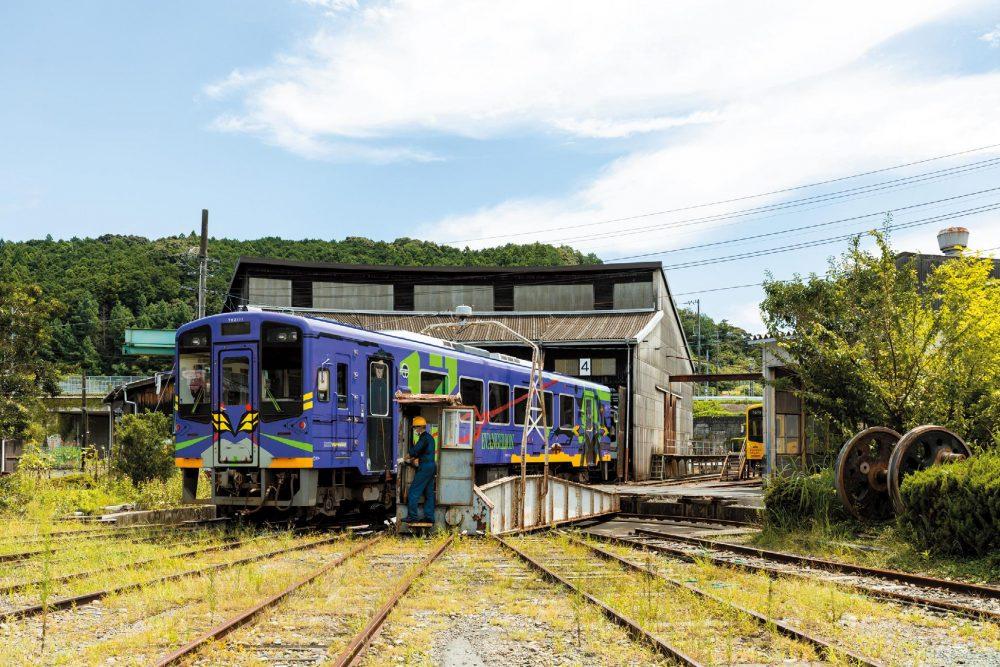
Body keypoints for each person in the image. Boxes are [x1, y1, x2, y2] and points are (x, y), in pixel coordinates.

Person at [405, 415, 436, 523]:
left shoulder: (423, 438)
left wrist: (405, 457)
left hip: (425, 468)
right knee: (429, 493)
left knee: (413, 491)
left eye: (415, 428)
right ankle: (429, 517)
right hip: (431, 467)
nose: (414, 430)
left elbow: (415, 450)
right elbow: (423, 452)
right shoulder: (430, 437)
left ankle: (412, 516)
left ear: (419, 427)